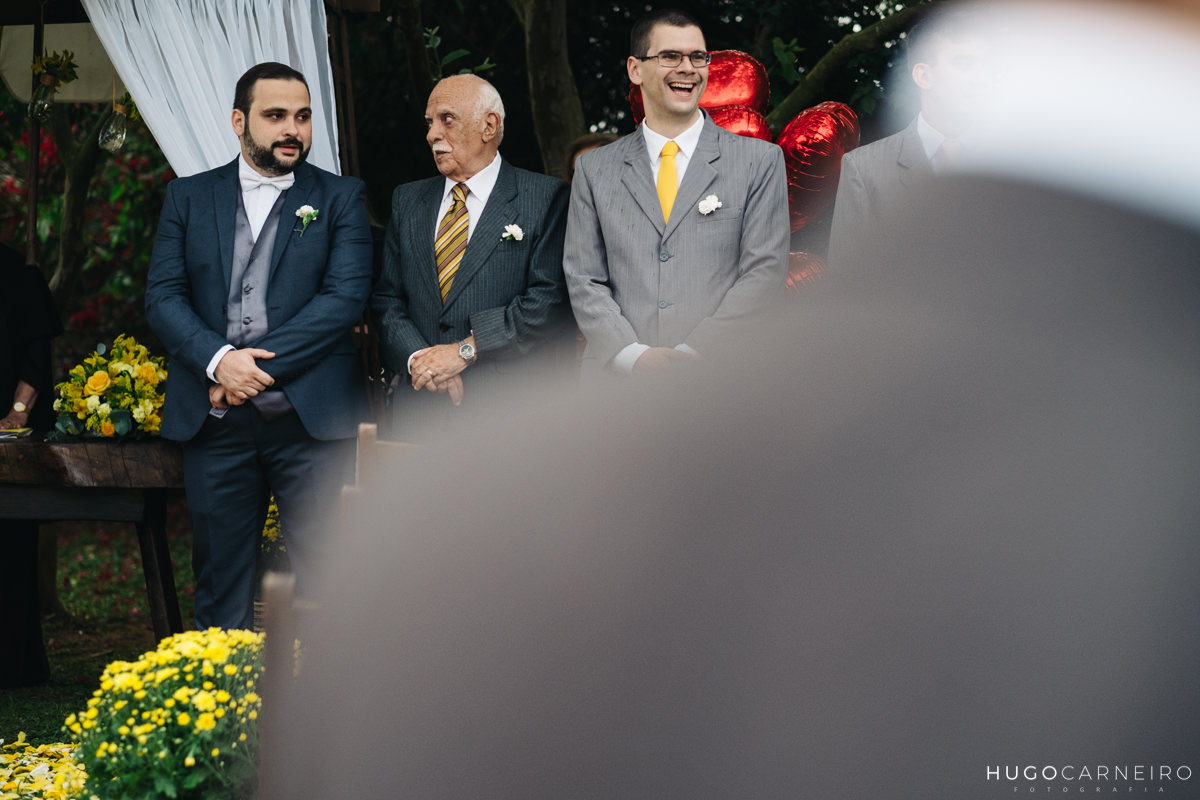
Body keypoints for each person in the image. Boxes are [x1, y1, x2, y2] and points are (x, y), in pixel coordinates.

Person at [145, 62, 373, 630]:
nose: (291, 129)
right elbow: (163, 298)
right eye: (275, 116)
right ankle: (225, 711)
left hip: (312, 420)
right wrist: (220, 361)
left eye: (302, 116)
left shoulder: (342, 197)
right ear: (239, 121)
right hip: (216, 421)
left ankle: (336, 716)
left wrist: (251, 369)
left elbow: (342, 301)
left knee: (333, 584)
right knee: (220, 588)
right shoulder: (188, 198)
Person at [563, 8, 789, 379]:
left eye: (698, 57)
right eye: (670, 56)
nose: (688, 68)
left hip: (722, 379)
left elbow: (764, 272)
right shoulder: (595, 168)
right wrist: (632, 355)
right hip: (616, 386)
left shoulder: (759, 160)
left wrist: (694, 353)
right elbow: (583, 276)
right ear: (635, 69)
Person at [370, 75, 572, 439]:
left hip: (508, 413)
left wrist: (464, 351)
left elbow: (549, 300)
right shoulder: (407, 200)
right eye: (429, 122)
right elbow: (387, 299)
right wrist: (422, 360)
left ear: (489, 126)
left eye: (447, 119)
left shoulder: (544, 197)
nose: (432, 134)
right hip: (421, 413)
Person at [828, 7, 989, 265]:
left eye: (988, 65)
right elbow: (847, 280)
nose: (983, 78)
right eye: (964, 64)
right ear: (923, 76)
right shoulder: (863, 168)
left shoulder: (1017, 162)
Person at [0, 242, 62, 688]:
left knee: (10, 547)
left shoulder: (15, 272)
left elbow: (37, 355)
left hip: (7, 434)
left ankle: (12, 667)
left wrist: (18, 413)